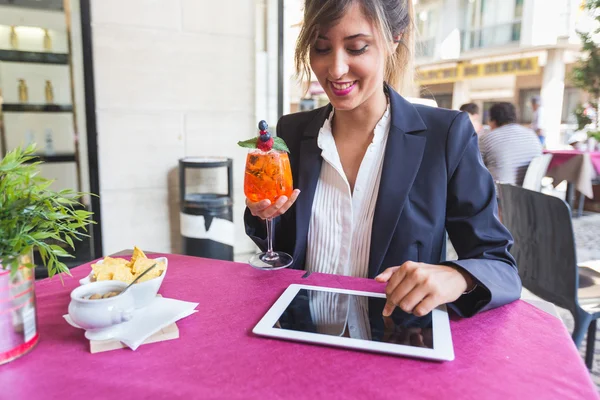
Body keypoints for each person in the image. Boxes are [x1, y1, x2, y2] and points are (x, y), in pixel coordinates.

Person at [245, 0, 521, 318]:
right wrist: (264, 215)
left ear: (394, 38)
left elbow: (499, 265)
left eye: (357, 48)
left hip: (393, 340)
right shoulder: (293, 131)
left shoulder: (444, 136)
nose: (335, 69)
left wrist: (458, 276)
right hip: (301, 334)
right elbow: (283, 246)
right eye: (321, 48)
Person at [479, 102, 543, 186]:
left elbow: (472, 168)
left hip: (499, 195)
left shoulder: (487, 138)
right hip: (527, 194)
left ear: (492, 120)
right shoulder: (532, 135)